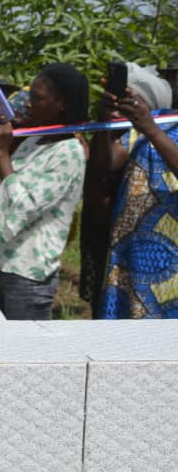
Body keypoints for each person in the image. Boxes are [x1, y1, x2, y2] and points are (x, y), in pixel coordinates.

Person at [0, 63, 89, 320]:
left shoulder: (69, 152)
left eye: (37, 98)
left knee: (26, 355)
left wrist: (4, 153)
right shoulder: (31, 142)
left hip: (28, 274)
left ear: (61, 103)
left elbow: (20, 208)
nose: (27, 104)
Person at [85, 63, 178, 318]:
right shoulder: (156, 119)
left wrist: (151, 130)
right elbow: (107, 163)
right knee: (126, 342)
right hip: (130, 254)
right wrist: (105, 126)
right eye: (172, 76)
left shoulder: (153, 125)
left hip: (171, 260)